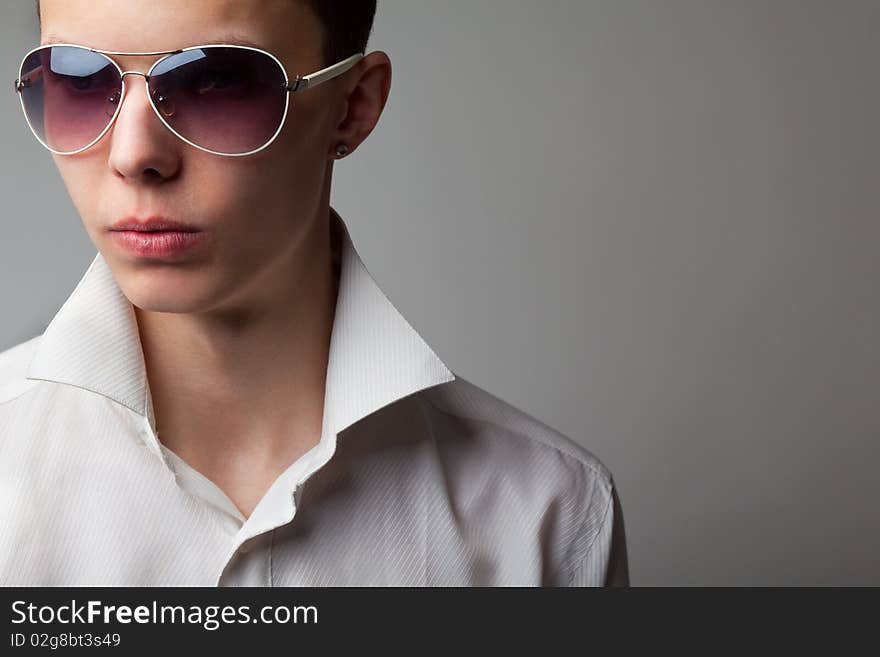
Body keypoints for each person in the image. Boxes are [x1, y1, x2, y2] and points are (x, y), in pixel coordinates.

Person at [0, 0, 629, 586]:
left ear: (353, 105)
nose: (135, 155)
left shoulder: (547, 513)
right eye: (80, 81)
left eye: (216, 81)